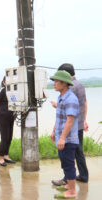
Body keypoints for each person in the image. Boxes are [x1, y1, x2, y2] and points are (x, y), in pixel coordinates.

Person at [51, 63, 89, 186]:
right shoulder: (80, 85)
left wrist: (55, 105)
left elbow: (68, 109)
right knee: (78, 152)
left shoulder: (70, 87)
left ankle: (68, 179)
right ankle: (83, 175)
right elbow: (85, 104)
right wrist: (84, 120)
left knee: (69, 155)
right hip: (78, 123)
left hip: (71, 126)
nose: (56, 81)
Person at [50, 70, 79, 199]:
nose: (54, 84)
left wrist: (62, 138)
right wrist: (53, 132)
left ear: (64, 83)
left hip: (68, 139)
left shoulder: (71, 98)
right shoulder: (61, 97)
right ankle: (68, 185)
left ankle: (72, 192)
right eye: (54, 81)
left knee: (68, 164)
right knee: (64, 163)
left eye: (56, 81)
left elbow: (70, 120)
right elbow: (60, 118)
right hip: (61, 137)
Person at [0, 76, 16, 166]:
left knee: (9, 137)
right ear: (4, 81)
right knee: (4, 137)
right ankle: (1, 158)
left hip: (11, 116)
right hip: (2, 116)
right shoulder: (2, 90)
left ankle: (6, 155)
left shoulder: (13, 91)